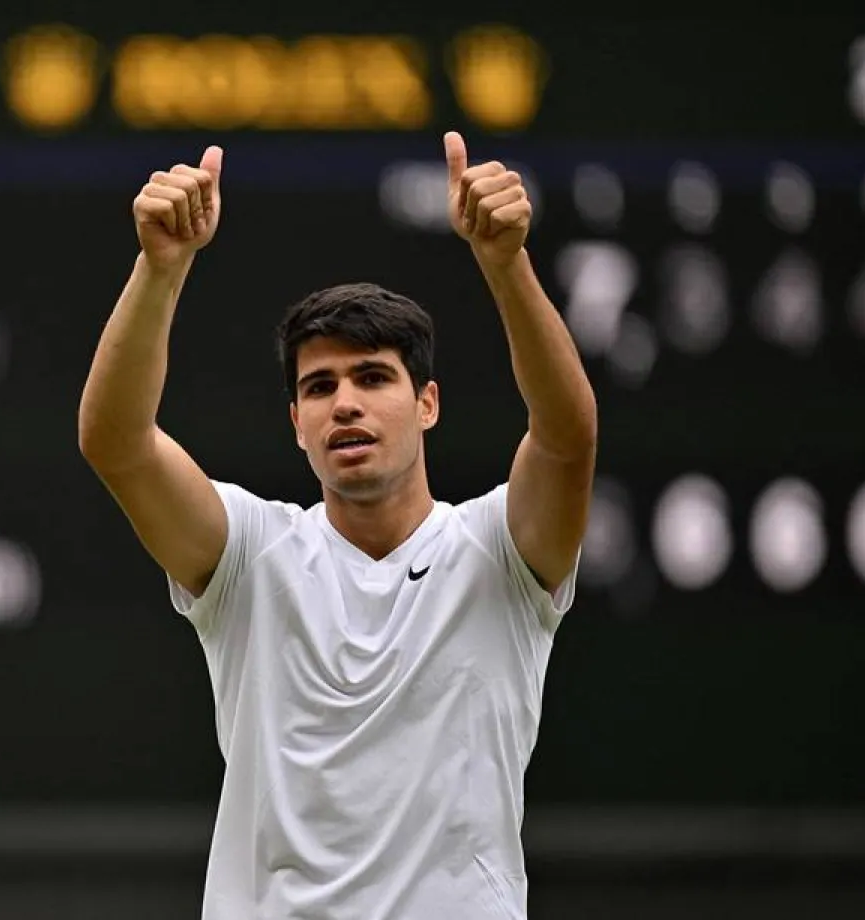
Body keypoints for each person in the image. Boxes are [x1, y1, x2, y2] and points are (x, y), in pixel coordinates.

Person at [78, 132, 597, 920]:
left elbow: (566, 435)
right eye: (319, 387)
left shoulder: (500, 552)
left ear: (427, 404)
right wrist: (161, 267)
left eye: (372, 377)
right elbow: (115, 441)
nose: (345, 403)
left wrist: (504, 262)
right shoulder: (250, 554)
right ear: (296, 422)